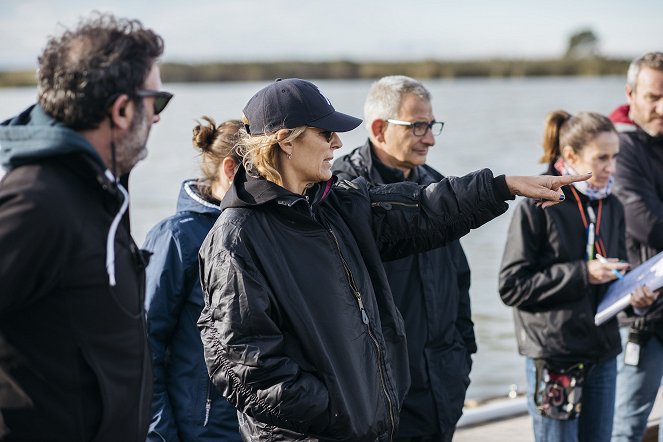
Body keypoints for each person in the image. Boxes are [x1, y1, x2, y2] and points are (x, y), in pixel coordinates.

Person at [197, 77, 590, 441]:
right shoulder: (236, 239)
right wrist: (341, 412)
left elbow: (422, 208)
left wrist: (500, 186)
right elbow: (245, 369)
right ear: (285, 141)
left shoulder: (335, 205)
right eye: (325, 133)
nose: (337, 143)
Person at [0, 13, 172, 441]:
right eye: (157, 102)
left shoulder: (100, 193)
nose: (156, 119)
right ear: (121, 109)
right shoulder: (39, 201)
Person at [498, 110, 656, 442]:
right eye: (601, 158)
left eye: (615, 157)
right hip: (556, 358)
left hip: (603, 353)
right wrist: (582, 273)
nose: (611, 168)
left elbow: (615, 279)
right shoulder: (536, 203)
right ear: (570, 155)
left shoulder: (612, 204)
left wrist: (635, 302)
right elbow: (511, 286)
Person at [332, 75, 473, 441]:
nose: (430, 138)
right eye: (418, 127)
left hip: (443, 382)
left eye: (431, 125)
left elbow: (459, 279)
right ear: (379, 129)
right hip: (381, 390)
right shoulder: (342, 193)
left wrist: (462, 358)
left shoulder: (438, 186)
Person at [143, 117, 242, 442]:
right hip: (199, 431)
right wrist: (161, 435)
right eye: (260, 173)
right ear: (230, 170)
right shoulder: (176, 236)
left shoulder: (261, 232)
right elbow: (144, 348)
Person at [610, 52, 663, 442]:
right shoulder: (619, 147)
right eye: (653, 97)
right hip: (643, 312)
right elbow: (649, 223)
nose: (662, 107)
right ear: (631, 94)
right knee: (626, 427)